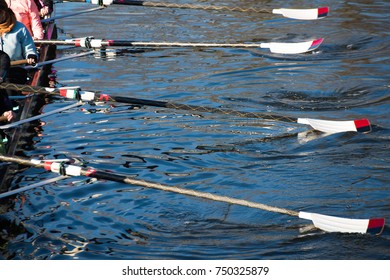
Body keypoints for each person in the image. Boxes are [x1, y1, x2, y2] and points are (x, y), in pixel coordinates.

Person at [0, 1, 38, 89]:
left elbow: (29, 47)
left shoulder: (20, 28)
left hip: (15, 69)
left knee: (8, 81)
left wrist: (31, 56)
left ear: (4, 12)